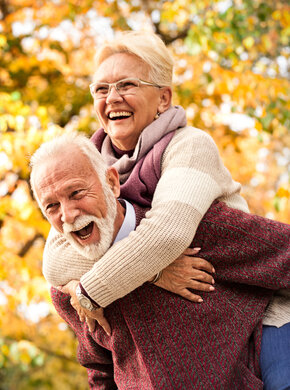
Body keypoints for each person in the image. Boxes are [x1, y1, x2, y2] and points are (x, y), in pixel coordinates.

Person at [42, 31, 290, 389]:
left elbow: (167, 234)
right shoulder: (87, 171)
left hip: (254, 307)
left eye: (127, 84)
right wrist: (156, 273)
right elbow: (56, 262)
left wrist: (89, 291)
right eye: (101, 89)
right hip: (196, 328)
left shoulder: (189, 145)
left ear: (163, 99)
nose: (112, 98)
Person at [30, 132, 290, 389]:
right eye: (51, 206)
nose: (68, 214)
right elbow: (100, 369)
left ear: (111, 183)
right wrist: (152, 273)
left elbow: (284, 253)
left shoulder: (195, 227)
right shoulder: (69, 293)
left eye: (76, 192)